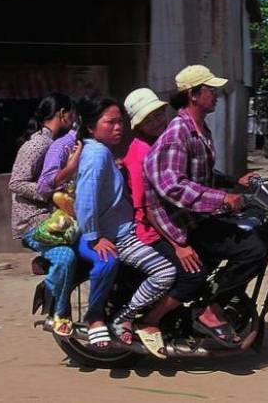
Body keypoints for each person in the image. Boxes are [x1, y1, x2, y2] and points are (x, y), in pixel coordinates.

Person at [143, 65, 268, 347]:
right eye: (210, 89)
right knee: (252, 249)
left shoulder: (200, 130)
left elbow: (204, 175)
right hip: (181, 224)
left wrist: (235, 181)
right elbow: (174, 185)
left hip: (198, 217)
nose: (215, 94)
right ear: (193, 95)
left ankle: (216, 303)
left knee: (256, 232)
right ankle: (210, 309)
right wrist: (223, 199)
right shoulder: (178, 133)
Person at [74, 96, 176, 357]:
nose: (118, 127)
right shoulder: (97, 155)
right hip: (120, 235)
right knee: (165, 272)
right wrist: (95, 237)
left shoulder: (102, 152)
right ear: (90, 127)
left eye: (120, 122)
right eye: (110, 122)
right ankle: (125, 317)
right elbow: (85, 199)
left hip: (124, 228)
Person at [120, 88, 207, 339]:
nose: (157, 121)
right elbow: (146, 207)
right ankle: (149, 320)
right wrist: (178, 245)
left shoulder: (163, 142)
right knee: (193, 274)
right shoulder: (139, 153)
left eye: (159, 115)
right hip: (151, 230)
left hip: (172, 223)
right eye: (149, 119)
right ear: (139, 125)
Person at [9, 92, 78, 337]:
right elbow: (15, 183)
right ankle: (54, 303)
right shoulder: (39, 143)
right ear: (62, 113)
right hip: (33, 221)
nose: (75, 118)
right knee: (66, 258)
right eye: (72, 113)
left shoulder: (57, 141)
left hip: (52, 218)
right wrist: (48, 192)